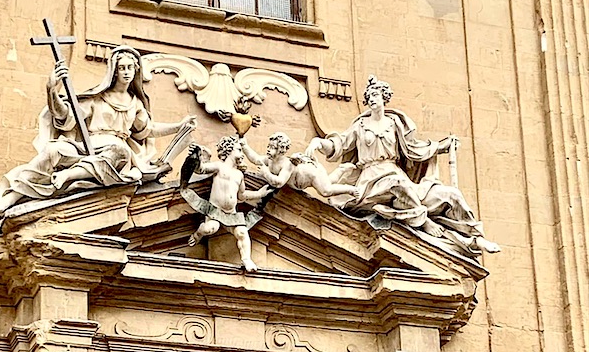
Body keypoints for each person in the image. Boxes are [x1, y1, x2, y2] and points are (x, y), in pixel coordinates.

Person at [0, 45, 196, 217]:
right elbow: (66, 117)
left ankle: (68, 175)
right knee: (54, 150)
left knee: (119, 152)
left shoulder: (135, 104)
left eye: (130, 68)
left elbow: (147, 130)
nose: (126, 72)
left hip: (116, 152)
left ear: (136, 71)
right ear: (114, 71)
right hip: (88, 147)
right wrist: (52, 90)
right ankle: (13, 194)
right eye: (122, 67)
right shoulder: (98, 98)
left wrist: (177, 126)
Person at [306, 75, 500, 257]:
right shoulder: (360, 125)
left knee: (450, 195)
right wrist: (319, 143)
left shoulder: (394, 123)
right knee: (395, 183)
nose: (371, 99)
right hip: (370, 183)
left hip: (398, 178)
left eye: (375, 95)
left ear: (384, 97)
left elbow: (414, 148)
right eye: (368, 96)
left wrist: (441, 147)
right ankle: (423, 222)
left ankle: (476, 238)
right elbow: (340, 144)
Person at [186, 136, 272, 272]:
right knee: (209, 229)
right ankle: (198, 234)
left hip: (231, 214)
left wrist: (260, 194)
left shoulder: (239, 175)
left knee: (243, 233)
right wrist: (195, 156)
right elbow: (200, 169)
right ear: (229, 150)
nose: (242, 154)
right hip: (215, 211)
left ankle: (247, 260)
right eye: (239, 149)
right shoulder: (219, 166)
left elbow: (242, 196)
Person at [241, 132, 360, 199]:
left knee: (326, 190)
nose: (268, 150)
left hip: (312, 173)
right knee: (328, 181)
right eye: (269, 146)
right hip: (304, 177)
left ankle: (350, 189)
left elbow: (279, 182)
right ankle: (341, 170)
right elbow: (256, 158)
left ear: (281, 151)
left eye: (272, 148)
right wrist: (245, 146)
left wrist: (265, 173)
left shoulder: (287, 164)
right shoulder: (270, 159)